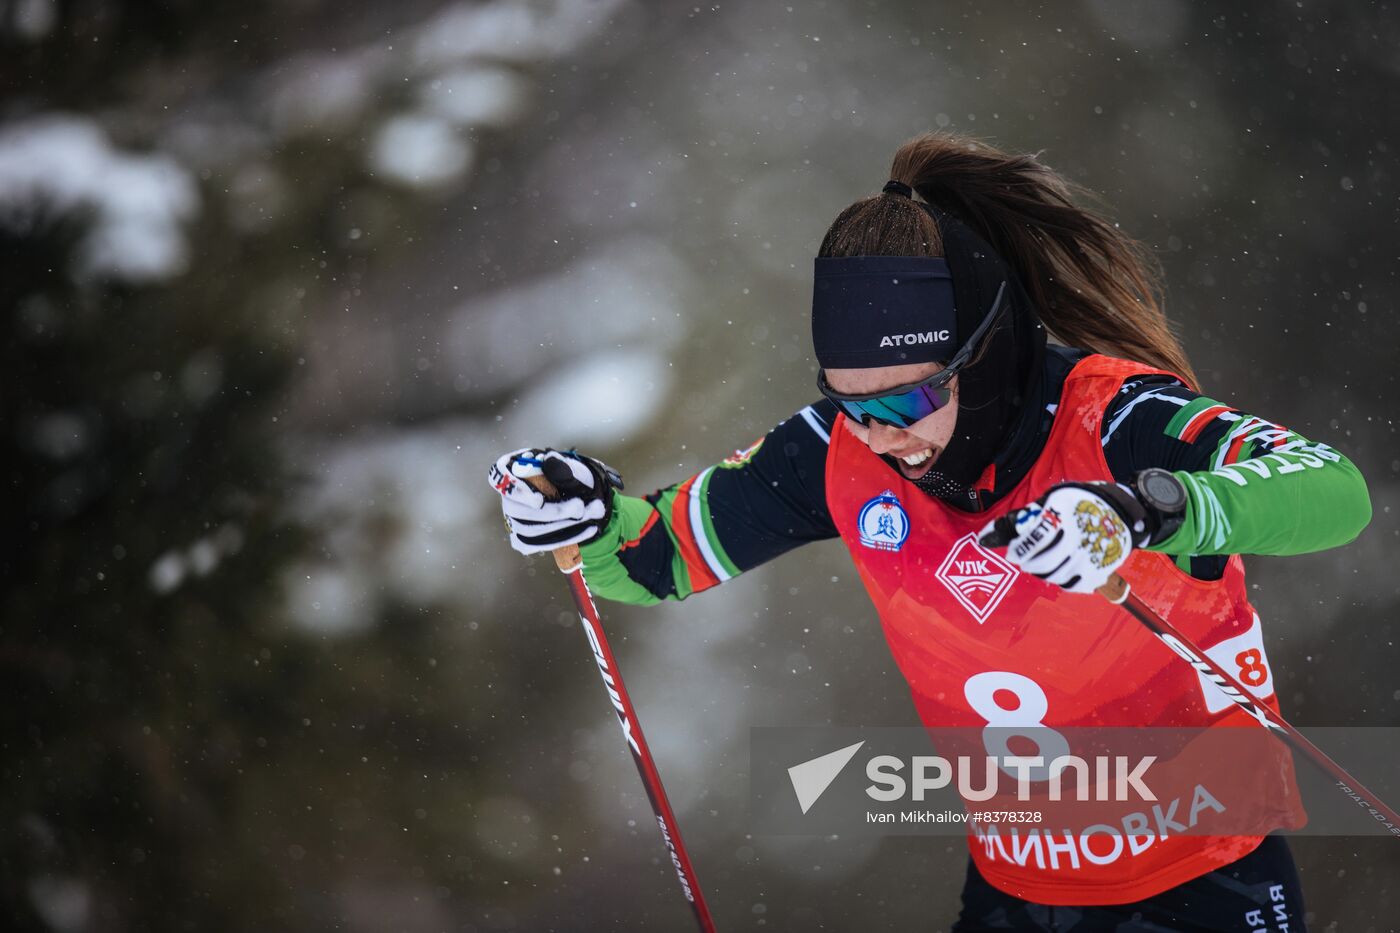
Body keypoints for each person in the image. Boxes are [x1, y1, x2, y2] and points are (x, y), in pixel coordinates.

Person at [488, 134, 1371, 931]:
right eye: (852, 405)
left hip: (1204, 882)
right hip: (1016, 891)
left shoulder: (1118, 416)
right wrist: (585, 517)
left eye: (908, 399)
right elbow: (657, 557)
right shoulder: (839, 453)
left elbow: (1335, 491)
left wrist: (1144, 509)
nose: (881, 435)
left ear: (982, 354)